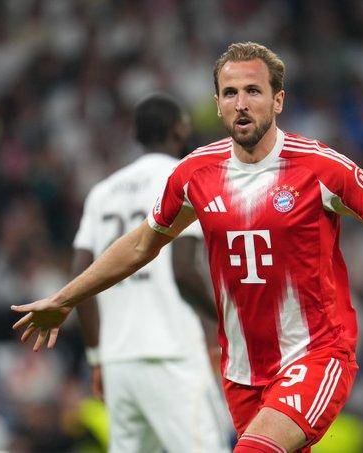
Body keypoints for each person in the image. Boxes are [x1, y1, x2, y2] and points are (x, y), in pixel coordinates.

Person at [12, 42, 363, 453]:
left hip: (316, 355)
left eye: (253, 91)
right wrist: (65, 299)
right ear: (217, 104)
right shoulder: (195, 173)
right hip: (242, 369)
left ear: (278, 100)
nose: (241, 103)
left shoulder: (319, 167)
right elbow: (138, 246)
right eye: (230, 93)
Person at [70, 94, 229, 452]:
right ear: (180, 129)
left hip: (118, 360)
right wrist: (226, 322)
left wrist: (97, 356)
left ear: (136, 134)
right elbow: (184, 272)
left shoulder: (102, 192)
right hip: (171, 353)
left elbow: (81, 277)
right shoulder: (184, 178)